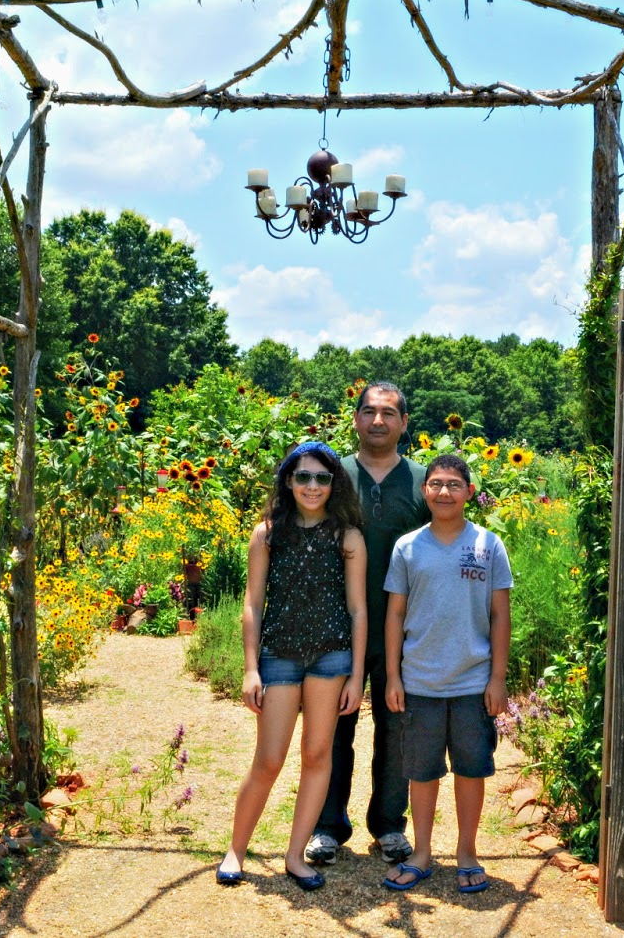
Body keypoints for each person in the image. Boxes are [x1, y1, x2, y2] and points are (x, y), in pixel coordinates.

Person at [218, 441, 367, 891]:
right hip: (279, 656)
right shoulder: (267, 533)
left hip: (331, 656)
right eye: (303, 476)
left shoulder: (348, 537)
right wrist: (250, 668)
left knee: (318, 754)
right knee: (268, 759)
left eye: (322, 477)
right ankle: (235, 851)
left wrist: (357, 676)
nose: (312, 486)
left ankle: (295, 855)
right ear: (288, 480)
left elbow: (359, 610)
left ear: (333, 483)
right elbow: (252, 602)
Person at [306, 383, 430, 868]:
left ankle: (390, 826)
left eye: (389, 413)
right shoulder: (333, 478)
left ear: (403, 422)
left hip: (406, 631)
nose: (378, 420)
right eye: (369, 411)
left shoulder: (424, 481)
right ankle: (326, 826)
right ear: (355, 419)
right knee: (333, 727)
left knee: (398, 728)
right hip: (339, 628)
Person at [380, 454, 512, 895]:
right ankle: (421, 853)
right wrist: (394, 677)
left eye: (454, 484)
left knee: (471, 770)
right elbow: (394, 614)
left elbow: (499, 615)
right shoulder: (407, 547)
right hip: (419, 681)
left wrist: (497, 678)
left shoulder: (488, 545)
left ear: (469, 492)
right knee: (422, 772)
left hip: (474, 683)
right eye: (436, 483)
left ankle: (467, 853)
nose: (444, 492)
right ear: (425, 491)